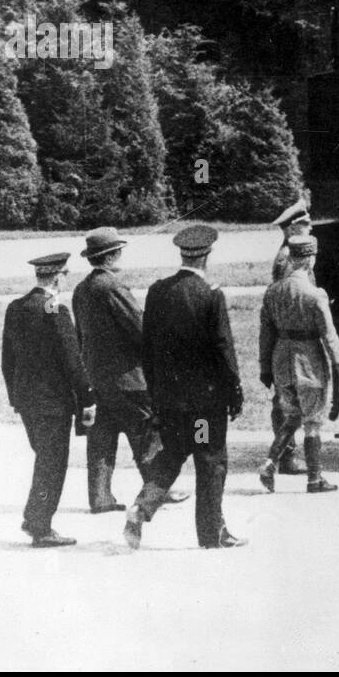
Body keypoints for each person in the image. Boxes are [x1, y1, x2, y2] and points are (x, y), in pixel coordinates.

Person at [124, 225, 246, 550]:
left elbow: (146, 350)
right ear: (207, 255)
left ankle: (141, 507)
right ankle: (212, 534)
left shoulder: (157, 292)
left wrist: (155, 394)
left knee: (172, 455)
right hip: (204, 408)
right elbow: (224, 350)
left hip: (169, 402)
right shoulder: (210, 295)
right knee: (210, 461)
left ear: (182, 254)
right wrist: (234, 393)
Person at [72, 227, 188, 513]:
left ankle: (100, 498)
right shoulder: (113, 287)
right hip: (127, 380)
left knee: (101, 440)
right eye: (118, 250)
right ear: (111, 256)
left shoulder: (81, 289)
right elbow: (140, 329)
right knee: (147, 434)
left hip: (96, 378)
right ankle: (157, 489)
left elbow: (80, 335)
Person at [1, 252, 97, 546]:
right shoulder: (56, 310)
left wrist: (15, 397)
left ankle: (35, 520)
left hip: (27, 402)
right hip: (53, 404)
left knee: (45, 460)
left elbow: (8, 360)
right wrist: (87, 398)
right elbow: (73, 362)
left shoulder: (16, 308)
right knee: (52, 464)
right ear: (57, 276)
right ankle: (40, 526)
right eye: (65, 275)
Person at [257, 235, 339, 493]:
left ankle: (269, 462)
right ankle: (314, 478)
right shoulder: (315, 294)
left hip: (281, 360)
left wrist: (265, 367)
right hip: (308, 360)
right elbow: (329, 335)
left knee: (292, 415)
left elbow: (265, 334)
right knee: (312, 420)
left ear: (291, 258)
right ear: (311, 259)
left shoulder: (273, 291)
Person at [268, 197, 313, 474]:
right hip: (288, 334)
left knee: (289, 395)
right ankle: (286, 456)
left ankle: (286, 454)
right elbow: (288, 299)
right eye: (305, 225)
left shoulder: (292, 252)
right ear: (292, 228)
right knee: (286, 397)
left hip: (287, 334)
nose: (309, 228)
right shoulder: (288, 257)